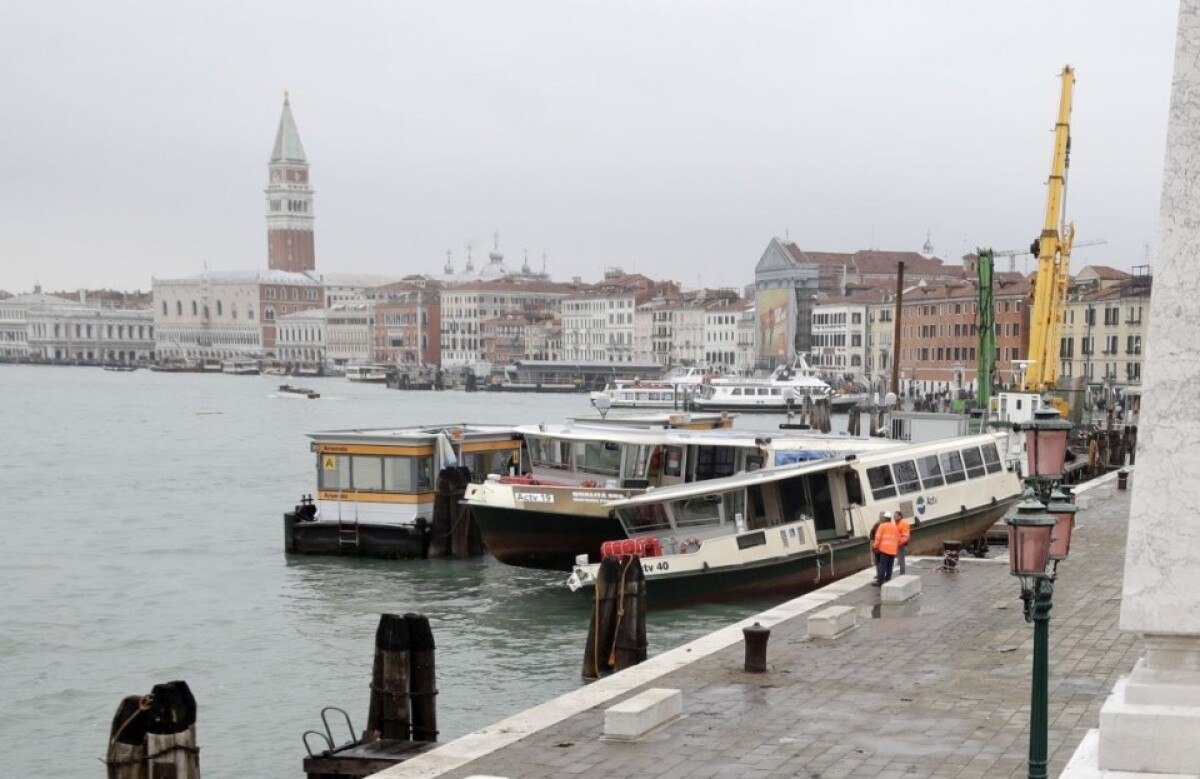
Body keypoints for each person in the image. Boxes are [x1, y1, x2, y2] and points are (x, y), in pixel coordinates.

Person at [871, 511, 899, 586]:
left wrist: (875, 546)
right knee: (890, 566)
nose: (882, 519)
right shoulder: (895, 526)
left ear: (885, 519)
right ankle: (888, 579)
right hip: (893, 550)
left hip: (884, 550)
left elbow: (878, 537)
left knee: (882, 566)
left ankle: (879, 582)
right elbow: (897, 538)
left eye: (883, 518)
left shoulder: (882, 526)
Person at [893, 510, 912, 575]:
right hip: (897, 544)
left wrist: (899, 543)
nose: (894, 517)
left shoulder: (903, 523)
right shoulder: (896, 523)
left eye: (896, 516)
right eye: (894, 516)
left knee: (901, 559)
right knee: (900, 559)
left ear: (900, 516)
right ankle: (902, 573)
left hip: (901, 544)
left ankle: (902, 573)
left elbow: (905, 535)